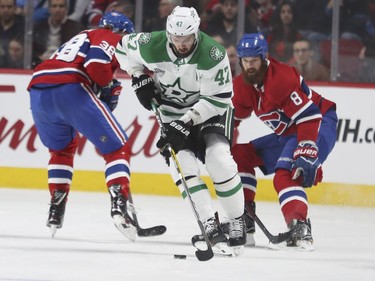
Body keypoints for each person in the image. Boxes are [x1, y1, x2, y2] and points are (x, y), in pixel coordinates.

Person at [115, 6, 247, 254]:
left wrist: (186, 121)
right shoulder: (150, 43)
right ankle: (209, 224)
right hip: (172, 113)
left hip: (211, 110)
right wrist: (137, 75)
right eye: (177, 38)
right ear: (169, 33)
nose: (182, 44)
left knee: (219, 161)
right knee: (183, 166)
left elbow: (218, 99)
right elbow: (121, 48)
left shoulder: (213, 53)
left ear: (196, 33)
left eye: (187, 38)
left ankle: (235, 220)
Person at [27, 11, 137, 239]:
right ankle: (119, 204)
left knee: (61, 150)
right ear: (120, 32)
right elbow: (96, 64)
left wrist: (103, 85)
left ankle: (56, 208)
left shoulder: (79, 37)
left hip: (38, 89)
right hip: (70, 86)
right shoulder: (109, 36)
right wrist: (107, 85)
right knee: (118, 148)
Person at [231, 33, 337, 249]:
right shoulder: (243, 85)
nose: (249, 66)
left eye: (254, 60)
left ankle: (300, 227)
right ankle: (245, 219)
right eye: (245, 61)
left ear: (265, 57)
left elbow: (309, 117)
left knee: (285, 175)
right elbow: (231, 120)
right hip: (290, 132)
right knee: (238, 155)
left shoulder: (280, 79)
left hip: (318, 122)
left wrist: (307, 150)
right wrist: (216, 142)